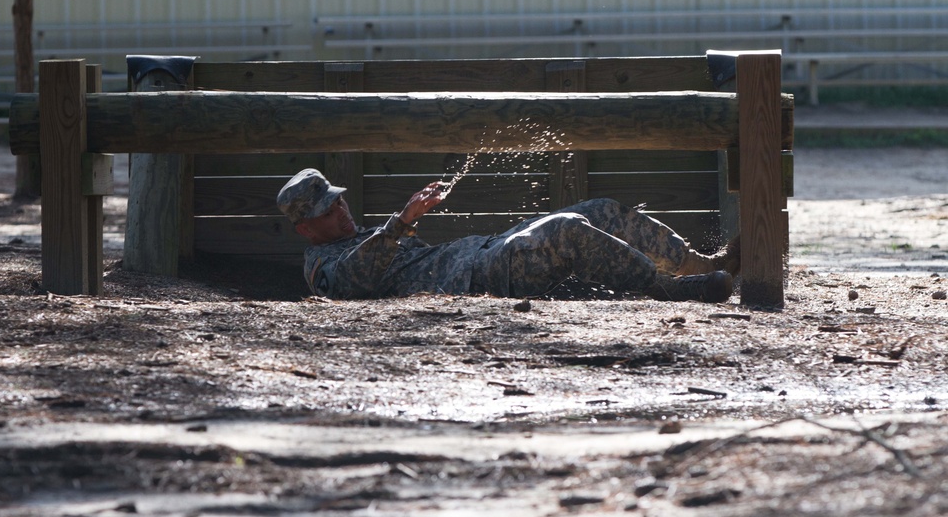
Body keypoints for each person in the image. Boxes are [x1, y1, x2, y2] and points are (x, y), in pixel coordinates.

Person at [277, 168, 739, 303]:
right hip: (482, 277)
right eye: (325, 211)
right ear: (304, 229)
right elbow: (350, 287)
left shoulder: (367, 235)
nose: (339, 210)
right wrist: (401, 222)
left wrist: (402, 222)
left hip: (488, 253)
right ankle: (668, 290)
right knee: (567, 230)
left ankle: (698, 263)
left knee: (595, 210)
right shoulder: (321, 267)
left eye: (336, 200)